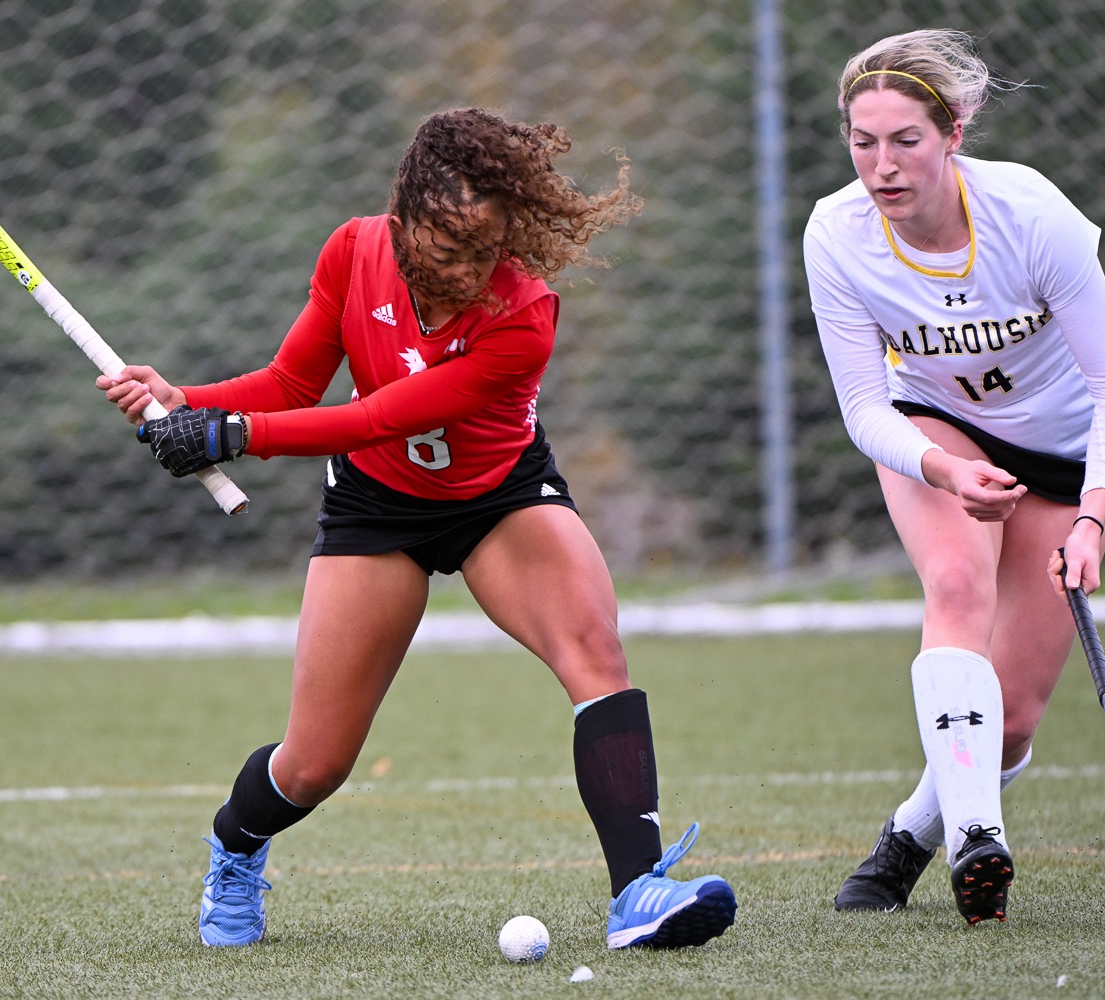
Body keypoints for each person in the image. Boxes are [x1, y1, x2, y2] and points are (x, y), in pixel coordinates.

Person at [99, 108, 737, 950]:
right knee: (314, 763)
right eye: (444, 250)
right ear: (401, 224)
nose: (465, 274)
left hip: (500, 498)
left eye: (484, 253)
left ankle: (639, 896)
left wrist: (232, 437)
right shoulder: (352, 251)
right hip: (376, 512)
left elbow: (376, 415)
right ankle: (236, 846)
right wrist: (194, 402)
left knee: (597, 655)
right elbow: (292, 383)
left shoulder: (524, 314)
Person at [802, 30, 1105, 925]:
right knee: (955, 583)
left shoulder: (1032, 216)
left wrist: (1094, 518)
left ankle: (908, 839)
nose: (881, 166)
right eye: (862, 140)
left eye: (904, 140)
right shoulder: (837, 234)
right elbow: (865, 410)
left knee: (1015, 719)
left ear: (953, 132)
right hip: (935, 429)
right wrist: (947, 468)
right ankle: (977, 843)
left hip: (1062, 455)